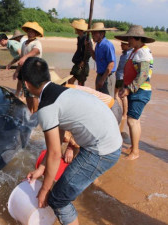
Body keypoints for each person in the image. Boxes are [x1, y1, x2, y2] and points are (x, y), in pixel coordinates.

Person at [21, 57, 122, 225]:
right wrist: (41, 169)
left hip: (102, 151)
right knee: (62, 191)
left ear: (26, 84)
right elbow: (58, 141)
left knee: (57, 199)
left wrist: (45, 189)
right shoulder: (63, 91)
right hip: (111, 141)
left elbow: (54, 153)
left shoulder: (46, 107)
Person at [115, 25, 155, 160]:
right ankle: (133, 146)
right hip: (135, 90)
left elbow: (143, 75)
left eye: (129, 38)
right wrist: (125, 87)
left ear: (136, 38)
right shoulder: (135, 51)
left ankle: (135, 152)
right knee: (133, 120)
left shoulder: (142, 52)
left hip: (141, 91)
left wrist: (128, 89)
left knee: (132, 120)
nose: (128, 41)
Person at [14, 21, 43, 113]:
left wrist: (25, 57)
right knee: (27, 94)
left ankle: (35, 114)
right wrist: (17, 71)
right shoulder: (24, 43)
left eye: (32, 32)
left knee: (34, 95)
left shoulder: (36, 43)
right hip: (25, 72)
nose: (30, 33)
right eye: (29, 31)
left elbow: (35, 51)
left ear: (36, 33)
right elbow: (21, 57)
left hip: (34, 72)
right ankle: (30, 112)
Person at [87, 22, 117, 97]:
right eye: (92, 33)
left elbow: (111, 64)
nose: (92, 35)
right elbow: (96, 58)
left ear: (102, 34)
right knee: (98, 99)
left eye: (94, 33)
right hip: (100, 75)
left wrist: (103, 79)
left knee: (108, 100)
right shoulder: (98, 45)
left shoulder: (107, 45)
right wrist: (90, 48)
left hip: (107, 77)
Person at [115, 41, 133, 134]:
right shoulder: (124, 54)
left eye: (123, 44)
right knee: (117, 95)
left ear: (128, 45)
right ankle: (120, 111)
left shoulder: (131, 54)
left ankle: (124, 113)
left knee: (122, 95)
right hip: (119, 76)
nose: (121, 45)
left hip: (123, 77)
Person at [69, 19, 91, 86]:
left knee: (80, 83)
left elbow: (89, 52)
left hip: (82, 64)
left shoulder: (86, 38)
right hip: (78, 63)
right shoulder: (80, 38)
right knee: (70, 81)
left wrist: (83, 62)